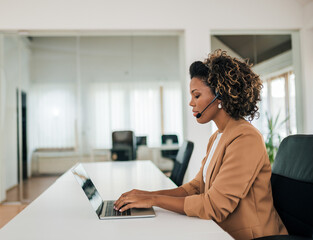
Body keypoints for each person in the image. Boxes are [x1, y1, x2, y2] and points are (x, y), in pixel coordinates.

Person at [114, 50, 288, 239]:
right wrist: (147, 195)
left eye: (196, 96)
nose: (191, 103)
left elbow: (214, 206)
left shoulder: (246, 138)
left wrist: (154, 200)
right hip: (220, 230)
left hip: (251, 236)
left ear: (220, 96)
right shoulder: (218, 137)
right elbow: (196, 188)